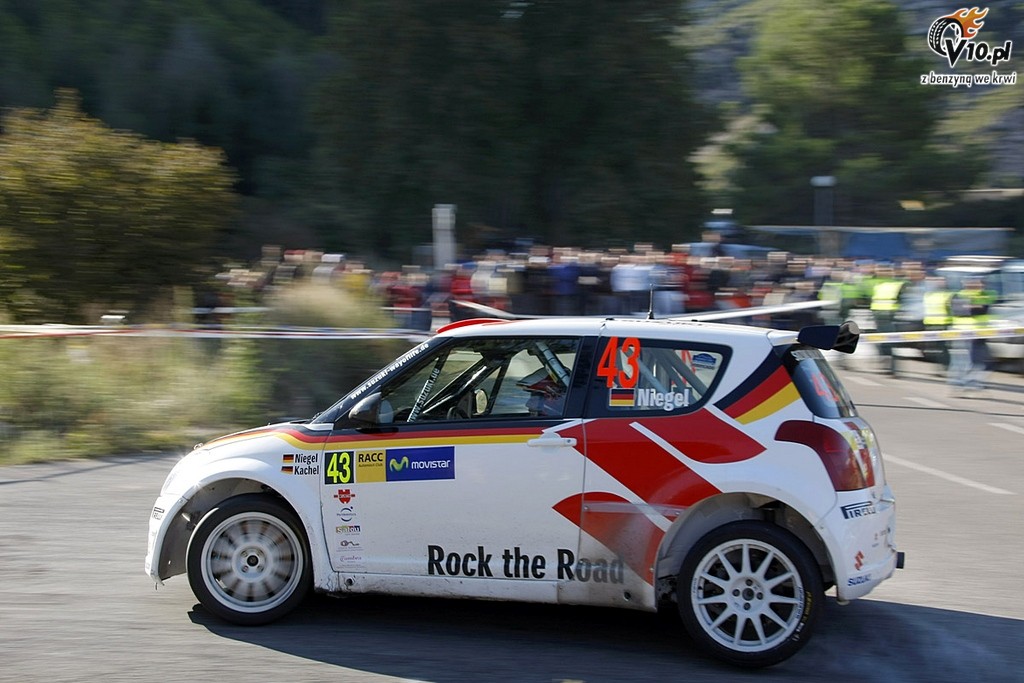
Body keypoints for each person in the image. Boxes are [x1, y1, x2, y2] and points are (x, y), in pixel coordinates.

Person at [947, 277, 997, 394]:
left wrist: (971, 306)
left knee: (979, 362)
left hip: (980, 334)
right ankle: (958, 386)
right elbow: (960, 311)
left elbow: (983, 309)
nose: (977, 285)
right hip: (962, 333)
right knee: (960, 362)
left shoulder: (985, 296)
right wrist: (973, 307)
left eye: (979, 282)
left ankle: (973, 385)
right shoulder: (958, 295)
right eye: (973, 282)